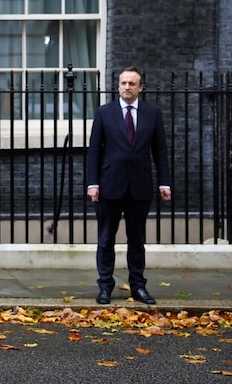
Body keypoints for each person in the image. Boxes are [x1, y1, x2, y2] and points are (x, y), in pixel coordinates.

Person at [86, 66, 171, 305]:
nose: (127, 87)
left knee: (137, 239)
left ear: (140, 88)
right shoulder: (105, 112)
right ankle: (105, 287)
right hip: (109, 184)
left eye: (132, 83)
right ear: (118, 85)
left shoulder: (152, 113)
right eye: (123, 83)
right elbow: (94, 150)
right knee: (106, 239)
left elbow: (160, 151)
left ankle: (138, 287)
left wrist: (164, 182)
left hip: (140, 185)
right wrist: (93, 183)